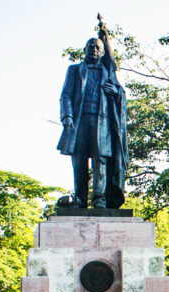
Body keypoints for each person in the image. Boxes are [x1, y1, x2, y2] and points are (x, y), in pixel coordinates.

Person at [57, 28, 128, 209]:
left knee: (100, 160)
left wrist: (116, 93)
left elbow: (121, 92)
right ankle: (80, 198)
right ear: (84, 50)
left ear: (102, 52)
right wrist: (66, 117)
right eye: (90, 47)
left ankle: (99, 199)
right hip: (79, 121)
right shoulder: (74, 70)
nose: (93, 50)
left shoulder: (108, 72)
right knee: (79, 160)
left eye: (97, 48)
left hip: (102, 122)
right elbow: (65, 95)